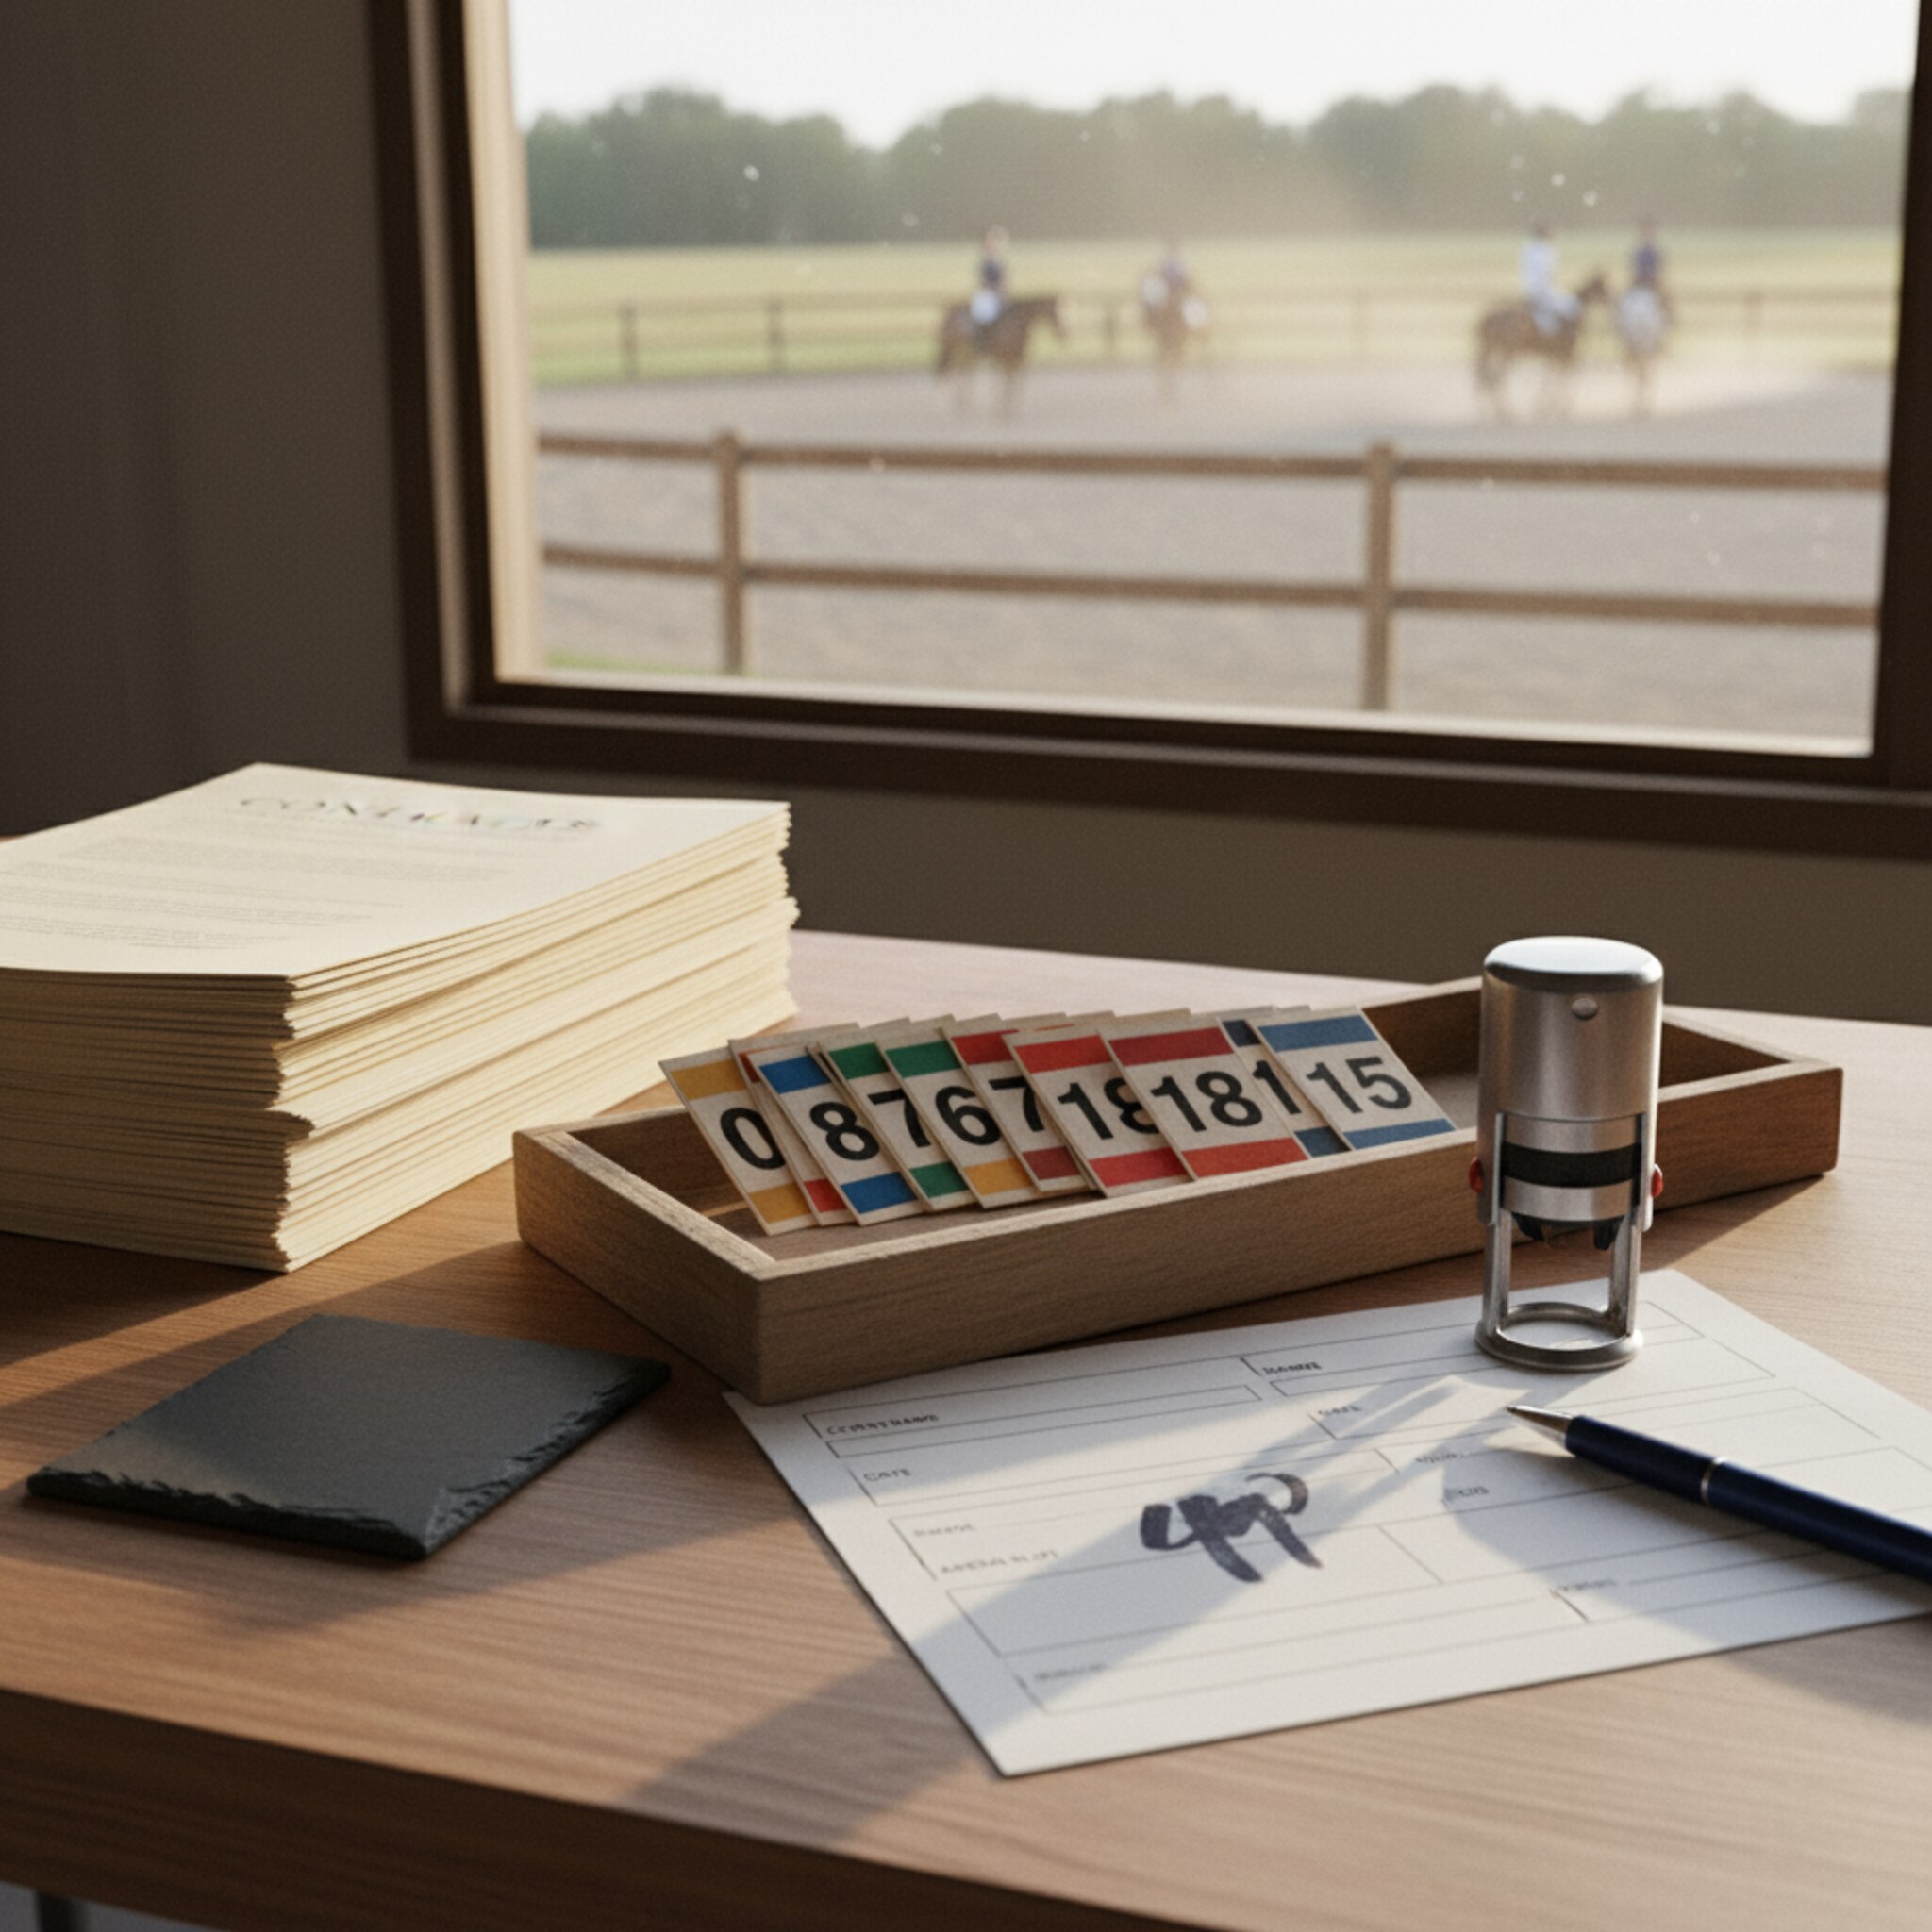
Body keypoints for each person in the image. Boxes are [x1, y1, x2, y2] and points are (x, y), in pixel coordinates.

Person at [1520, 221, 1580, 334]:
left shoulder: (1529, 248)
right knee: (1572, 305)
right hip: (1543, 290)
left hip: (1532, 289)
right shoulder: (1544, 250)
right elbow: (1547, 273)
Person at [969, 226, 1008, 329]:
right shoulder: (985, 262)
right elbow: (984, 280)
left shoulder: (998, 262)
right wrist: (995, 288)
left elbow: (1003, 279)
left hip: (1000, 294)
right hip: (987, 294)